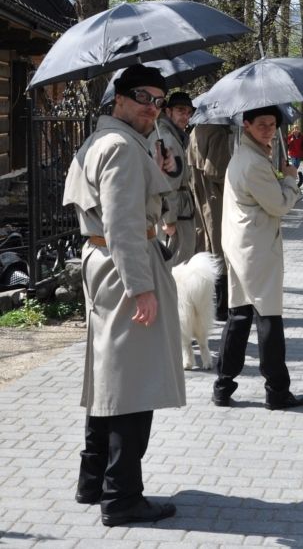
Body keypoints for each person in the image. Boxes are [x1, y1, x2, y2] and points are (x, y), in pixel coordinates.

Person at [63, 64, 185, 526]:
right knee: (133, 385)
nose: (152, 107)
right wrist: (142, 289)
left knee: (110, 379)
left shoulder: (106, 141)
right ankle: (122, 497)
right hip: (124, 267)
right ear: (118, 99)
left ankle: (93, 481)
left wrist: (162, 170)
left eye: (159, 99)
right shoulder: (119, 148)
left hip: (104, 263)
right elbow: (125, 226)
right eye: (143, 97)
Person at [212, 105, 303, 410]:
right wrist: (291, 179)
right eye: (262, 124)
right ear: (247, 125)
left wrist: (278, 175)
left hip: (242, 243)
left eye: (272, 124)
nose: (268, 129)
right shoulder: (253, 162)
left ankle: (223, 385)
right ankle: (277, 390)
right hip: (256, 248)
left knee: (239, 316)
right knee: (268, 318)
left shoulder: (247, 156)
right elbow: (279, 205)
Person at [187, 122, 232, 320]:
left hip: (199, 194)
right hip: (216, 196)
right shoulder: (218, 132)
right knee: (220, 246)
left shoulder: (196, 130)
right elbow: (215, 170)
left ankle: (209, 302)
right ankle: (222, 306)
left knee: (206, 245)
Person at [148, 91, 196, 266]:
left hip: (178, 212)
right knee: (177, 266)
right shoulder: (167, 139)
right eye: (180, 111)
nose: (185, 116)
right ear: (168, 112)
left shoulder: (171, 136)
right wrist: (170, 220)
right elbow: (167, 185)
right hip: (176, 216)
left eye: (188, 112)